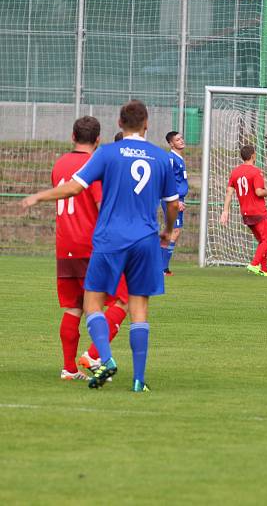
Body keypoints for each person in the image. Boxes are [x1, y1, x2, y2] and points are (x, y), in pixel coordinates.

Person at [23, 100, 179, 392]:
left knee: (90, 303)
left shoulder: (107, 153)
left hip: (109, 239)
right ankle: (138, 381)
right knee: (138, 307)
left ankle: (103, 358)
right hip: (145, 238)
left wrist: (39, 196)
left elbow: (75, 187)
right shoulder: (161, 157)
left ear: (119, 124)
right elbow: (172, 204)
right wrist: (167, 232)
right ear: (147, 124)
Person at [48, 116, 128, 381]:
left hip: (65, 246)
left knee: (75, 306)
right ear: (98, 140)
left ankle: (68, 369)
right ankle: (93, 355)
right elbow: (101, 206)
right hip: (91, 247)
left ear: (73, 136)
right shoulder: (94, 165)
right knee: (125, 298)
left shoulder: (59, 165)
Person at [220, 145, 267, 276]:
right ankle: (254, 264)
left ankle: (264, 269)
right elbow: (259, 192)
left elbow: (229, 191)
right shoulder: (256, 172)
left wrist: (225, 211)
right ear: (253, 156)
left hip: (245, 212)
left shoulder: (235, 172)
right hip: (258, 211)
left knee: (262, 240)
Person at [161, 131, 188, 275]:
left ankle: (162, 267)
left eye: (181, 138)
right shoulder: (170, 158)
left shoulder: (179, 158)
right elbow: (167, 181)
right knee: (173, 231)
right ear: (171, 143)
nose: (181, 141)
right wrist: (175, 201)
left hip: (177, 199)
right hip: (172, 200)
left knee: (174, 231)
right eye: (178, 140)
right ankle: (161, 268)